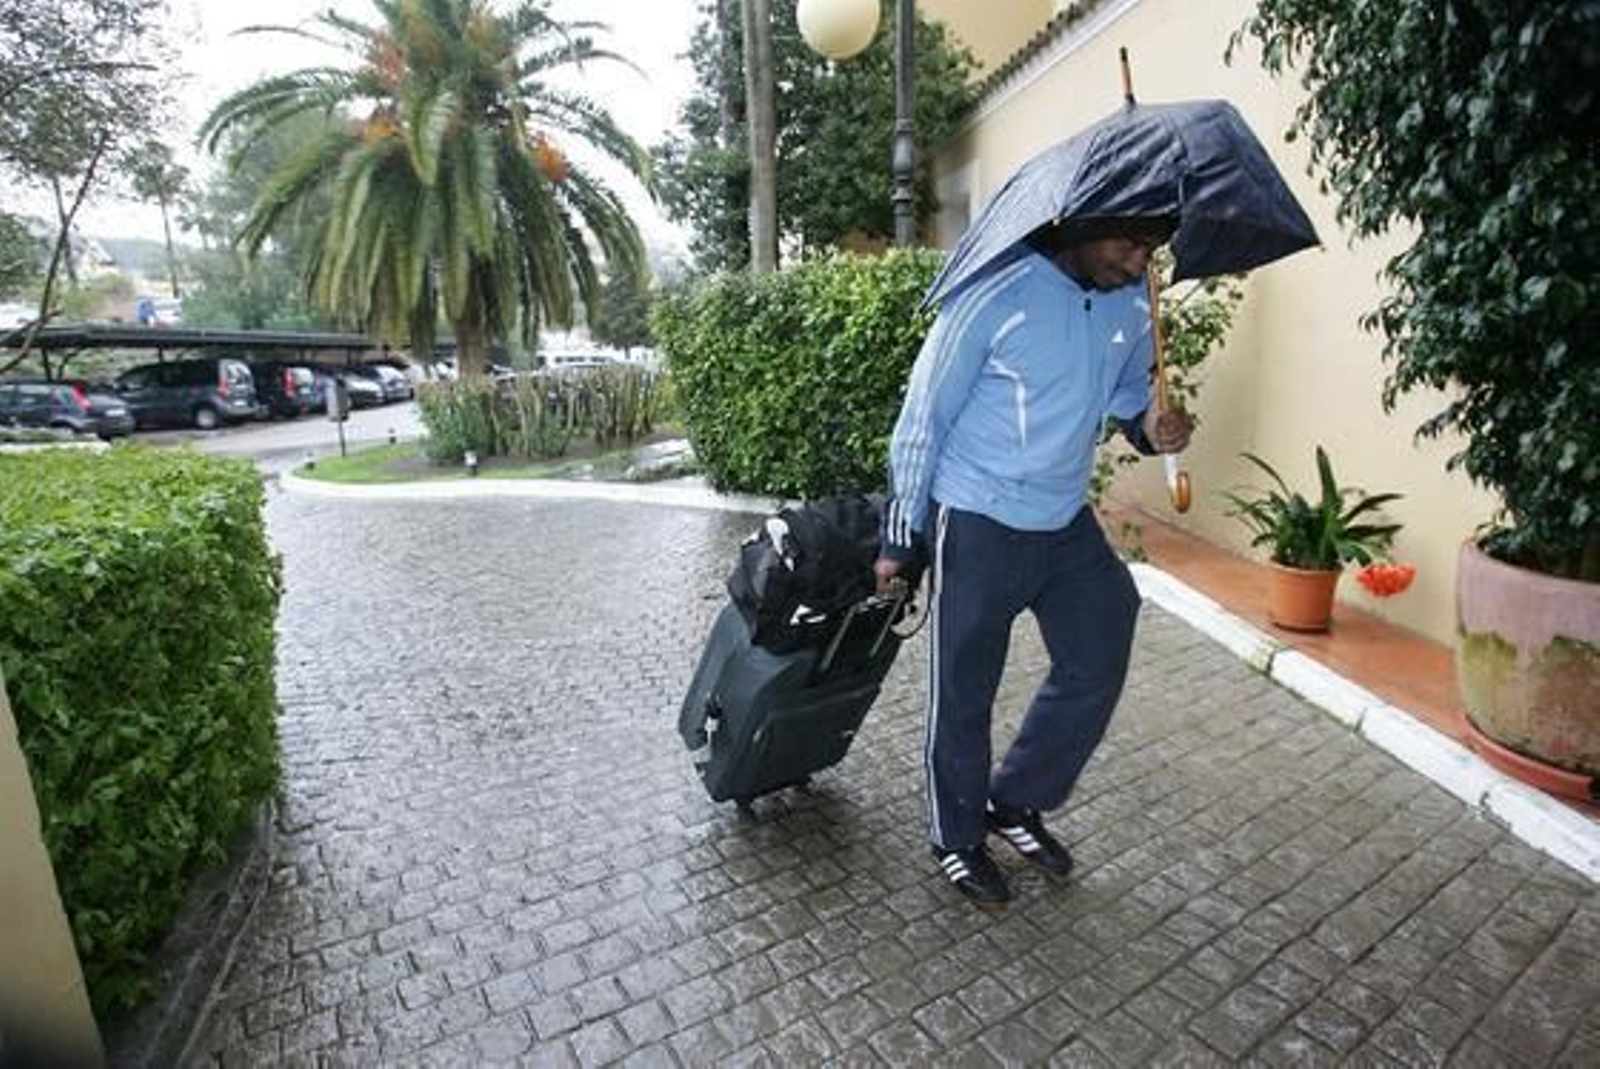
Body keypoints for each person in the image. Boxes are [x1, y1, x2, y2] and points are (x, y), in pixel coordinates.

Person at [875, 216, 1193, 909]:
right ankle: (955, 835)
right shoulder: (994, 294)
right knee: (965, 686)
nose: (1139, 261)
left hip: (1062, 517)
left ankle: (1014, 799)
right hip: (978, 514)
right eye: (1129, 244)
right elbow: (922, 417)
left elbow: (1127, 399)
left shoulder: (1133, 299)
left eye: (1151, 250)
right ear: (1084, 225)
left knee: (1105, 629)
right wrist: (902, 534)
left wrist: (1151, 426)